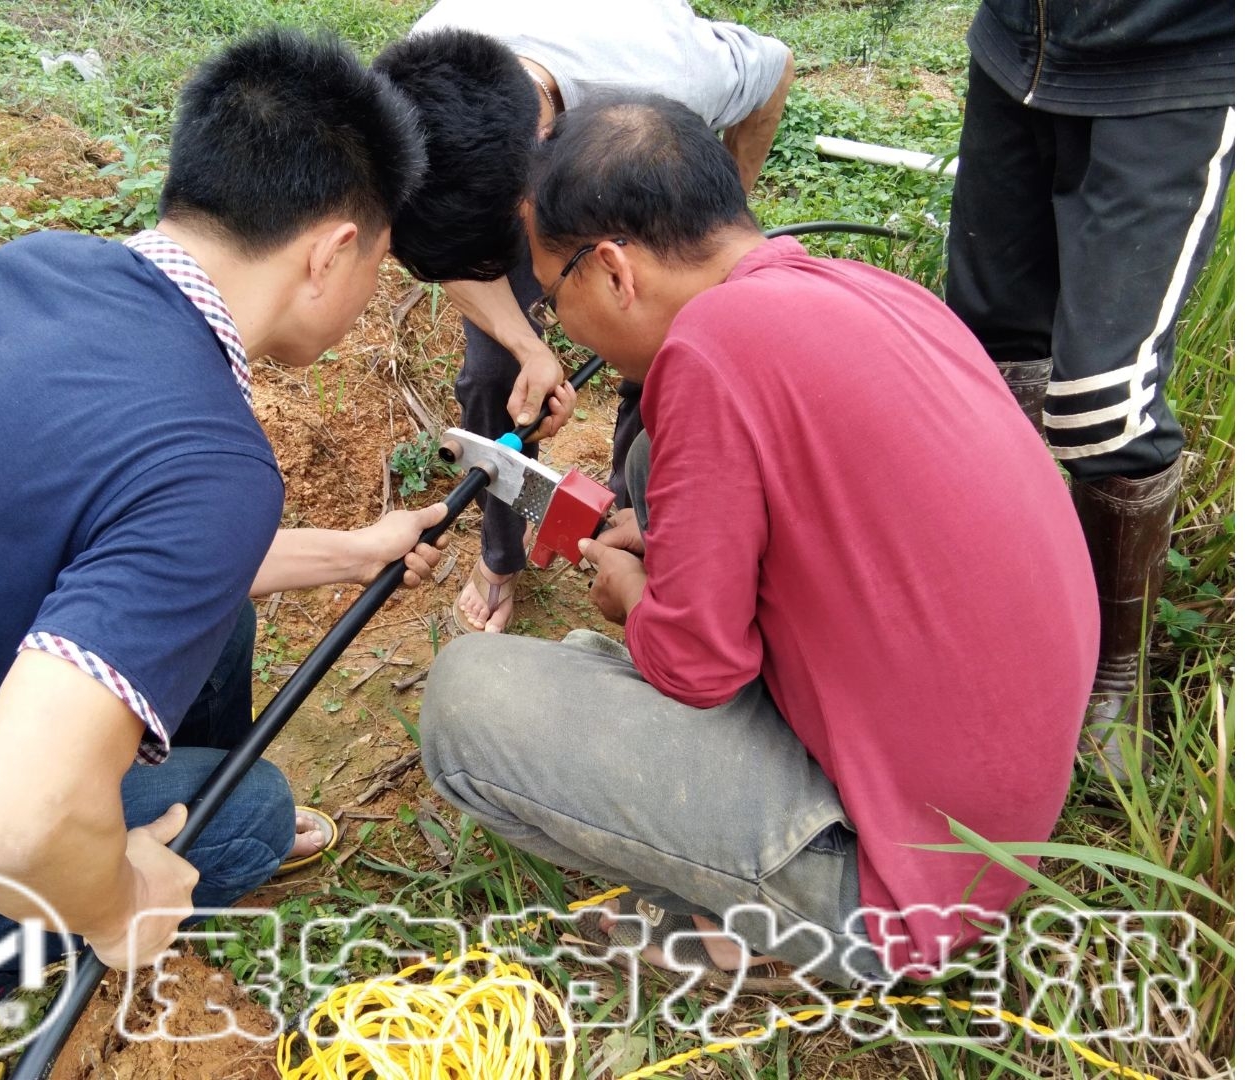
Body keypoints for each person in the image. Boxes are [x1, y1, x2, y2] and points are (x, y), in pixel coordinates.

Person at [0, 30, 447, 1080]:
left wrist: (355, 551)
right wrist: (118, 902)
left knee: (210, 617)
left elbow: (123, 543)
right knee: (244, 820)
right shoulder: (211, 460)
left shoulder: (36, 268)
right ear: (332, 253)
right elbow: (18, 821)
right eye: (376, 264)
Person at [419, 96, 1099, 986]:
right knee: (655, 465)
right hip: (994, 806)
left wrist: (637, 600)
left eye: (555, 300)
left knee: (469, 704)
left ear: (615, 270)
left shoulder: (708, 350)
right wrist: (676, 552)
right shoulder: (856, 286)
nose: (563, 330)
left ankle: (759, 931)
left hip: (901, 891)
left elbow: (697, 668)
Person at [372, 3, 794, 633]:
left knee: (660, 367)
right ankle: (501, 556)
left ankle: (635, 528)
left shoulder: (670, 74)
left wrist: (713, 224)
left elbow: (778, 69)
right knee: (495, 376)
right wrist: (529, 347)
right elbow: (443, 249)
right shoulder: (422, 86)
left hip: (636, 170)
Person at [944, 0, 1234, 773]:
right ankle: (1012, 607)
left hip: (1169, 65)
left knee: (1103, 405)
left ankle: (1117, 666)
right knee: (988, 358)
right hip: (1018, 46)